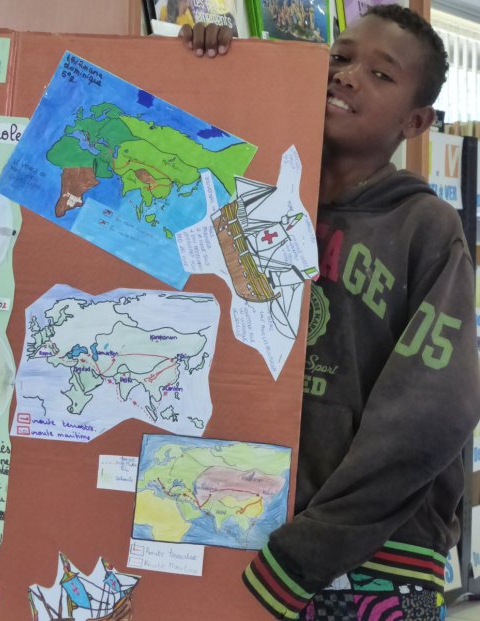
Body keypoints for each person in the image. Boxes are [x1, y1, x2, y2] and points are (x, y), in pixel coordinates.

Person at [180, 6, 480, 620]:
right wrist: (213, 69)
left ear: (416, 121)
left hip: (378, 560)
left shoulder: (425, 228)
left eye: (380, 74)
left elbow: (430, 415)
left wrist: (307, 551)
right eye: (338, 58)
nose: (346, 75)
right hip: (234, 524)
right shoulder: (255, 198)